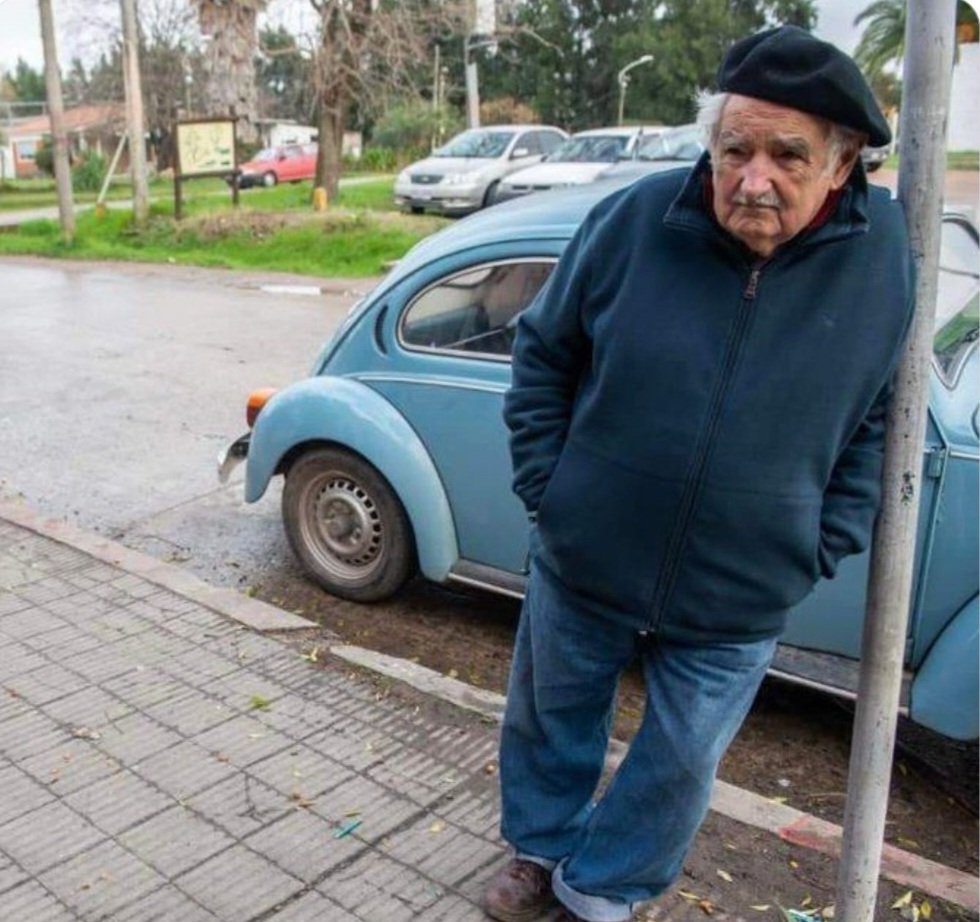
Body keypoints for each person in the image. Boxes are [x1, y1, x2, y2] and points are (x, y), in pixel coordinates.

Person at [484, 25, 913, 922]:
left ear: (841, 167)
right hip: (588, 550)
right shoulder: (636, 220)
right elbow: (543, 355)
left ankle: (600, 891)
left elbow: (877, 420)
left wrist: (814, 543)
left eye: (786, 154)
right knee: (551, 718)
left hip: (741, 586)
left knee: (680, 762)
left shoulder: (882, 260)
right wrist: (552, 494)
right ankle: (541, 848)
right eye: (735, 149)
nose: (753, 178)